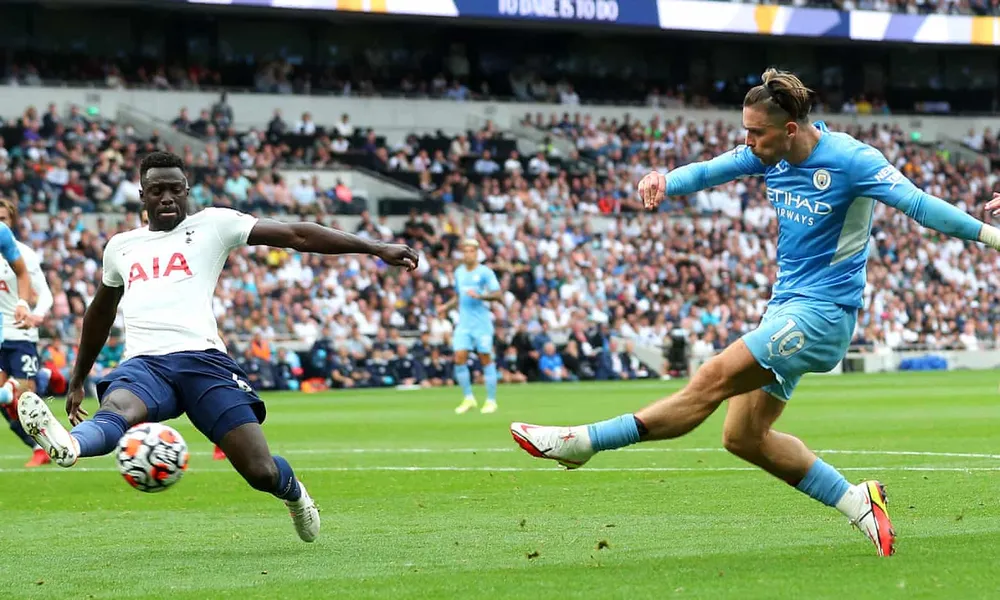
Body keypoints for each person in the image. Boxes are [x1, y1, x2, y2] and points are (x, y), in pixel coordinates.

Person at [510, 68, 1000, 557]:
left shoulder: (852, 160)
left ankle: (584, 441)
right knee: (743, 437)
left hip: (824, 314)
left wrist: (992, 237)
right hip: (784, 309)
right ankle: (857, 501)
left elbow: (920, 205)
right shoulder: (768, 154)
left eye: (756, 132)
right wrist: (664, 179)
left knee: (712, 377)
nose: (747, 142)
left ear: (790, 129)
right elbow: (708, 170)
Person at [17, 151, 419, 543]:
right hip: (145, 364)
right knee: (117, 410)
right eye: (157, 191)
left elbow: (297, 234)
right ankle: (70, 445)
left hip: (203, 362)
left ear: (187, 190)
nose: (167, 198)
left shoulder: (214, 224)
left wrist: (374, 248)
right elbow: (99, 313)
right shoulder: (121, 246)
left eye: (175, 189)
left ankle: (295, 494)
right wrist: (78, 378)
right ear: (142, 196)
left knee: (261, 472)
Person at [0, 199, 54, 467]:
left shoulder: (23, 254)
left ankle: (41, 379)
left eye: (3, 218)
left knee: (23, 398)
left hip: (21, 335)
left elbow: (45, 294)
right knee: (4, 402)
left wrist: (37, 314)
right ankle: (38, 447)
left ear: (11, 222)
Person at [437, 239, 502, 414]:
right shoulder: (459, 272)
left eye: (471, 251)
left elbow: (498, 294)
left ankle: (491, 400)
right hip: (464, 323)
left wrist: (480, 296)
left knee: (485, 358)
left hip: (481, 323)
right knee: (459, 357)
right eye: (465, 251)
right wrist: (445, 307)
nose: (468, 254)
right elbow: (459, 297)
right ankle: (468, 398)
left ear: (477, 253)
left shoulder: (485, 272)